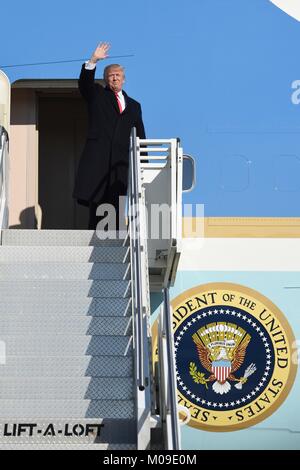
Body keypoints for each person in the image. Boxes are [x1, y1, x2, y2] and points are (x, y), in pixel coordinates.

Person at [72, 42, 146, 231]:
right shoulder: (97, 94)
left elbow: (140, 135)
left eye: (117, 75)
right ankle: (94, 240)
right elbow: (85, 84)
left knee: (118, 202)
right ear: (105, 79)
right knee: (97, 202)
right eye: (110, 76)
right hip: (98, 158)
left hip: (120, 162)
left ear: (124, 79)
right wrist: (93, 60)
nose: (114, 78)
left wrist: (143, 163)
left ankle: (117, 239)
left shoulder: (134, 105)